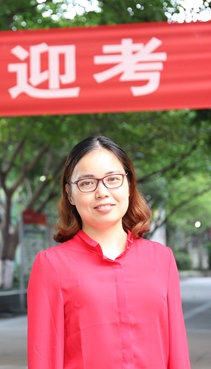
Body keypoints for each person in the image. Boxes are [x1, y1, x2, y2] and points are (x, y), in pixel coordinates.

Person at [27, 136, 190, 369]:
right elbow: (44, 357)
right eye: (87, 183)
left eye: (113, 179)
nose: (102, 192)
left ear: (129, 185)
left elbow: (178, 352)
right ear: (70, 194)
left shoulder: (161, 259)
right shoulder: (52, 265)